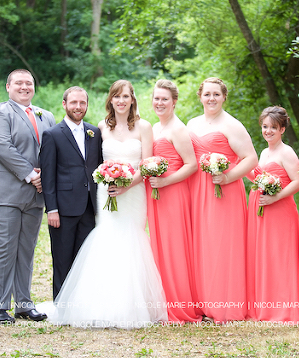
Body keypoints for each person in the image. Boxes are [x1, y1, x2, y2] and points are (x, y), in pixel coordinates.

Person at [41, 79, 167, 328]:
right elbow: (92, 163)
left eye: (126, 97)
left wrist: (127, 184)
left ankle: (132, 306)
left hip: (133, 194)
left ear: (133, 100)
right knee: (106, 241)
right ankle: (99, 303)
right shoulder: (100, 128)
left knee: (131, 242)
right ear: (110, 100)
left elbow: (148, 165)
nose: (121, 101)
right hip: (105, 193)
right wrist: (108, 181)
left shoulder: (144, 126)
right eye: (116, 96)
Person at [0, 69, 56, 324]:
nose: (24, 87)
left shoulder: (46, 115)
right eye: (19, 83)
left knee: (26, 250)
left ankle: (24, 304)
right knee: (3, 249)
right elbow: (2, 146)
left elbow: (52, 151)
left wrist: (45, 176)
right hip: (5, 194)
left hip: (35, 196)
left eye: (29, 83)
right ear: (8, 87)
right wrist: (29, 174)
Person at [187, 77, 257, 322]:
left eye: (216, 94)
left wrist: (228, 177)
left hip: (223, 191)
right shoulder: (192, 123)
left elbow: (250, 158)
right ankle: (204, 302)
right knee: (202, 244)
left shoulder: (232, 125)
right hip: (196, 190)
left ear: (224, 97)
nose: (211, 98)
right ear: (200, 96)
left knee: (222, 246)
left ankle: (226, 305)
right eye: (207, 94)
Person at [40, 86, 103, 299]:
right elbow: (48, 176)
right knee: (62, 258)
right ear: (64, 104)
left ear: (86, 105)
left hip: (88, 207)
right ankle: (61, 304)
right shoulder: (52, 134)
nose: (78, 107)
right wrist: (52, 209)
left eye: (82, 103)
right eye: (74, 102)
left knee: (84, 258)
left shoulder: (94, 133)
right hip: (64, 208)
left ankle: (81, 302)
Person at [147, 79, 201, 324]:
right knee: (160, 247)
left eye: (164, 99)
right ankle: (162, 300)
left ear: (174, 102)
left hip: (174, 194)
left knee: (174, 248)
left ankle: (178, 305)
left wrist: (166, 182)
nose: (159, 103)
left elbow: (192, 165)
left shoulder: (178, 129)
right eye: (156, 98)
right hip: (157, 194)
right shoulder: (156, 129)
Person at [244, 106, 299, 324]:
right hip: (264, 211)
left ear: (283, 129)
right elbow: (260, 177)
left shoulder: (286, 152)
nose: (268, 131)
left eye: (273, 127)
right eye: (265, 127)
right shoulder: (264, 152)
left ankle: (284, 308)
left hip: (280, 210)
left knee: (281, 256)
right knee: (267, 256)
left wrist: (275, 198)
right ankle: (267, 305)